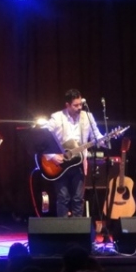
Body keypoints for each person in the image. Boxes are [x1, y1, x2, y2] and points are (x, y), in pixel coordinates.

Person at [46, 88, 104, 217]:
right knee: (63, 198)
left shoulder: (87, 116)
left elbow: (96, 135)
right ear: (67, 105)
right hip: (60, 164)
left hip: (79, 163)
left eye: (80, 104)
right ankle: (62, 232)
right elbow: (43, 136)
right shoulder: (57, 117)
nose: (79, 107)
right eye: (75, 105)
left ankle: (78, 232)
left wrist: (103, 140)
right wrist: (52, 156)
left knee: (78, 199)